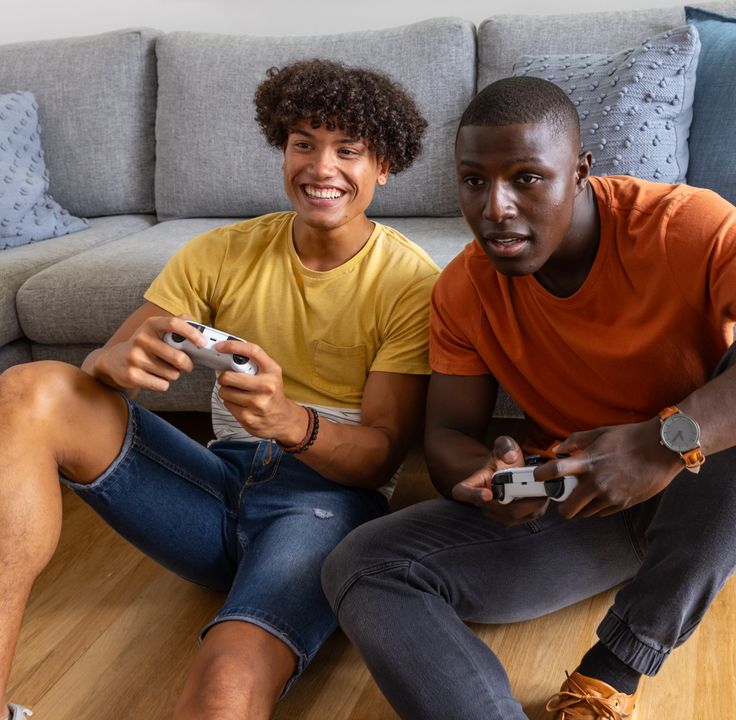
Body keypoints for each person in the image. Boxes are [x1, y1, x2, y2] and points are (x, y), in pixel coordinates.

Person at [321, 75, 736, 720]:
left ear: (581, 171)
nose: (495, 207)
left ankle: (615, 666)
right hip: (579, 498)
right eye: (474, 180)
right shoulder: (462, 290)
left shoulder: (677, 223)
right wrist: (481, 479)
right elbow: (448, 435)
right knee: (360, 564)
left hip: (704, 483)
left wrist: (663, 442)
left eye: (527, 178)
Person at [0, 59, 438, 720]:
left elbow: (381, 458)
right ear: (281, 149)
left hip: (324, 509)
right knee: (32, 388)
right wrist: (111, 365)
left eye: (349, 151)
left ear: (385, 167)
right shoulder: (220, 252)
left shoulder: (411, 283)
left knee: (226, 683)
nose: (322, 168)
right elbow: (98, 370)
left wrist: (289, 421)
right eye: (303, 144)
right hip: (211, 485)